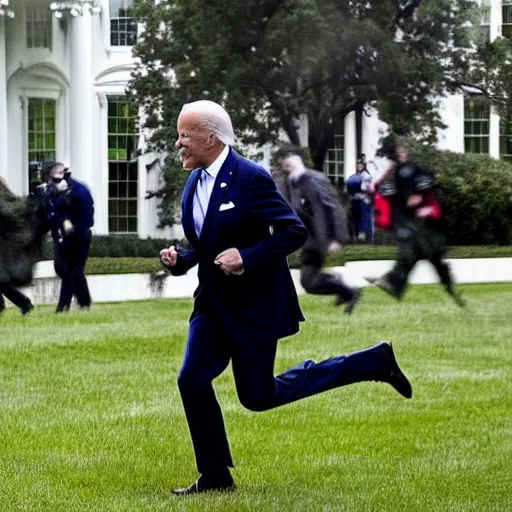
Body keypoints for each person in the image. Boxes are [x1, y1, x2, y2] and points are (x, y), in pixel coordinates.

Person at [159, 100, 413, 496]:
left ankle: (370, 362)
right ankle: (215, 475)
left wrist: (248, 257)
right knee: (191, 380)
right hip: (211, 305)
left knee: (258, 397)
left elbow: (292, 231)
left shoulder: (251, 178)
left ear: (210, 137)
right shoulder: (194, 182)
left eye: (184, 136)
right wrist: (181, 259)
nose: (178, 144)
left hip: (254, 307)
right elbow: (206, 244)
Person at [370, 142, 464, 306]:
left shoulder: (415, 170)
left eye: (402, 151)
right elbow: (379, 189)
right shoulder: (394, 174)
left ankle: (447, 287)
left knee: (428, 255)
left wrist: (418, 197)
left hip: (424, 222)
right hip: (409, 222)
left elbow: (427, 185)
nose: (400, 155)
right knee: (412, 256)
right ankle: (395, 283)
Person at [274, 147, 362, 314]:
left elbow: (330, 207)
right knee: (308, 281)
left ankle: (346, 288)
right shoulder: (291, 182)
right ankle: (344, 290)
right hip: (307, 238)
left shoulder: (313, 179)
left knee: (308, 281)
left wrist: (333, 237)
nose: (286, 165)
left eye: (289, 161)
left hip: (319, 239)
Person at [36, 162, 94, 313]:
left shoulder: (78, 190)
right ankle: (78, 302)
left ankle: (72, 304)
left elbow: (86, 215)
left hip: (78, 236)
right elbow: (49, 214)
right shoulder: (53, 192)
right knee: (64, 270)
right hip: (61, 237)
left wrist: (67, 198)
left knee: (73, 270)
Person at [346, 158, 374, 243]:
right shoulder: (355, 176)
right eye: (358, 165)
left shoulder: (367, 176)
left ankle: (367, 238)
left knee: (364, 219)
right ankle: (356, 237)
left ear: (364, 166)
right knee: (356, 219)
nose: (359, 166)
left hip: (364, 201)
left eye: (361, 165)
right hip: (355, 199)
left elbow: (365, 188)